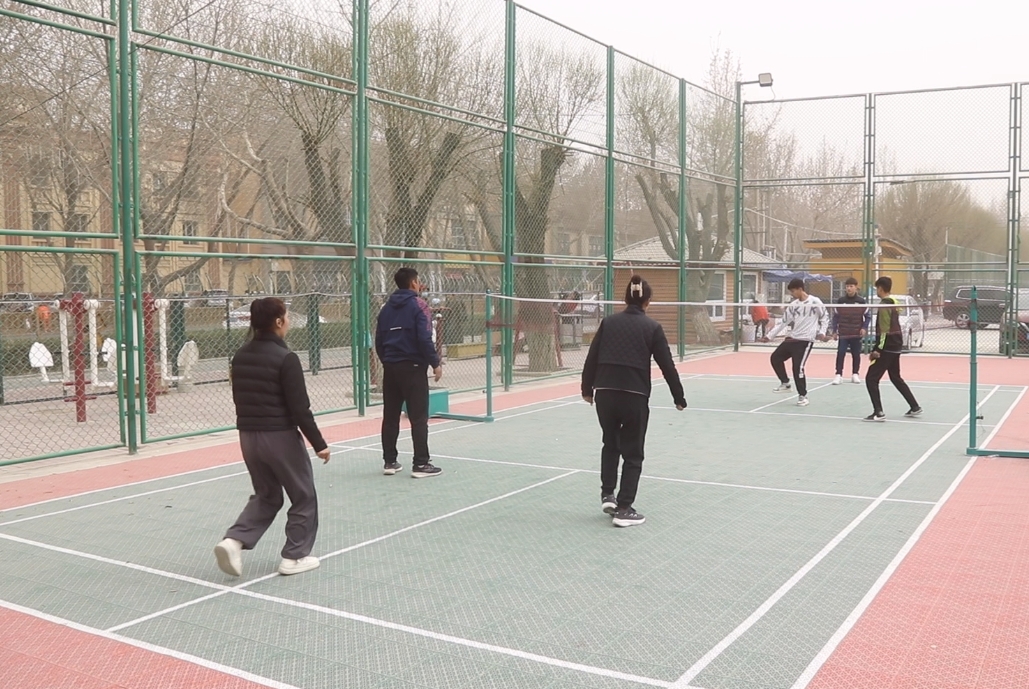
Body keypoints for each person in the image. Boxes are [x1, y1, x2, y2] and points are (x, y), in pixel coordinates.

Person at [215, 297, 330, 578]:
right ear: (278, 322)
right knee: (303, 495)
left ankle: (234, 541)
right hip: (279, 436)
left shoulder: (240, 356)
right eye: (286, 317)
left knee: (267, 495)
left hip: (248, 436)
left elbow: (239, 399)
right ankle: (295, 557)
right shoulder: (286, 358)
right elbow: (300, 408)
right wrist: (319, 444)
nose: (288, 321)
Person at [581, 276, 687, 527]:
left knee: (610, 443)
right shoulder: (652, 328)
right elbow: (666, 365)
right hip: (634, 395)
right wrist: (678, 397)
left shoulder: (609, 323)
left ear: (626, 299)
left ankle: (608, 494)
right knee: (633, 452)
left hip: (605, 392)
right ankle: (624, 508)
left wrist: (587, 389)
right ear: (648, 301)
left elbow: (592, 356)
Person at [376, 267, 443, 478]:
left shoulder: (385, 309)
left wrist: (388, 361)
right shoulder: (419, 306)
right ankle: (421, 463)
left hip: (391, 367)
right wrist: (435, 363)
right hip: (413, 367)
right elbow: (424, 338)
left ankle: (390, 461)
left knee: (390, 416)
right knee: (418, 417)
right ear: (414, 283)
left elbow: (379, 341)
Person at [759, 278, 829, 407]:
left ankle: (803, 396)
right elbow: (783, 322)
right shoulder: (794, 305)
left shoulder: (815, 302)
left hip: (805, 341)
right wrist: (769, 336)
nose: (792, 294)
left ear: (800, 289)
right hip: (793, 338)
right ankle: (785, 383)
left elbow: (824, 317)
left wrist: (822, 332)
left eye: (793, 291)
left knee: (798, 368)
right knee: (775, 358)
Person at [864, 276, 922, 422]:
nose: (877, 290)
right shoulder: (894, 302)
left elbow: (884, 330)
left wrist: (877, 349)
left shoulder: (885, 305)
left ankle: (878, 412)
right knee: (895, 377)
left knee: (871, 378)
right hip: (896, 346)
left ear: (880, 288)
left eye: (877, 288)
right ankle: (914, 406)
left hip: (887, 348)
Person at [831, 277, 870, 385]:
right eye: (847, 286)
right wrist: (834, 331)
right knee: (841, 352)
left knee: (856, 354)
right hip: (843, 333)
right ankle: (838, 375)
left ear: (856, 287)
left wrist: (864, 328)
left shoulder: (861, 301)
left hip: (856, 333)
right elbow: (835, 317)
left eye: (851, 286)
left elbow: (867, 316)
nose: (849, 288)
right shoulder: (841, 301)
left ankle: (855, 374)